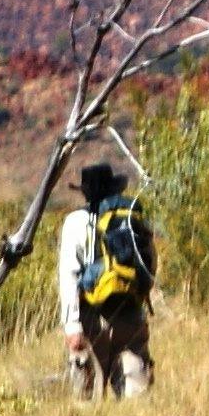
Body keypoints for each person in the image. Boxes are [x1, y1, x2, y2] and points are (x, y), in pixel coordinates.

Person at [56, 160, 157, 399]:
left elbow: (69, 274)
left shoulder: (75, 222)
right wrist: (137, 294)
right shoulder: (131, 217)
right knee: (137, 397)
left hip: (91, 318)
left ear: (85, 192)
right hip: (130, 312)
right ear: (115, 188)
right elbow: (150, 262)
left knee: (88, 399)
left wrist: (72, 325)